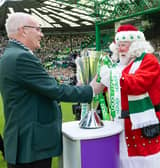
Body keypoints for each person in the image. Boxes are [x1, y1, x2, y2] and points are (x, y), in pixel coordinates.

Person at [0, 12, 103, 168]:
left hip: (25, 141)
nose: (41, 34)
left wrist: (76, 88)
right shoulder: (21, 57)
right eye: (38, 29)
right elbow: (54, 90)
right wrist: (91, 90)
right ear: (24, 30)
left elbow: (43, 88)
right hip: (31, 145)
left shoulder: (11, 54)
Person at [100, 24, 160, 168]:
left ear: (135, 45)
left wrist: (114, 77)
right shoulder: (118, 65)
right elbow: (109, 90)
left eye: (123, 45)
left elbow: (138, 84)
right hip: (122, 123)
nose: (119, 49)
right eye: (118, 45)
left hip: (143, 125)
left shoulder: (149, 60)